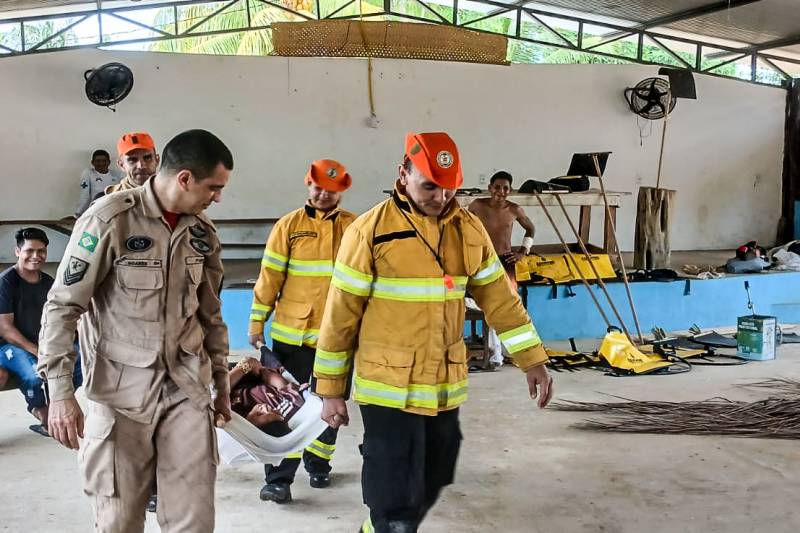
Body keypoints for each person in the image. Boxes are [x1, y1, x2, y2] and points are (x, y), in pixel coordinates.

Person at [312, 132, 554, 533]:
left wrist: (533, 360)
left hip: (443, 384)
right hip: (387, 387)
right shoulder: (370, 232)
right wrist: (331, 389)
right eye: (429, 186)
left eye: (448, 189)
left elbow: (500, 299)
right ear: (402, 174)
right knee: (394, 495)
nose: (440, 197)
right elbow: (340, 316)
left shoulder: (468, 229)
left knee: (434, 475)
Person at [37, 129, 233, 532]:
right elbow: (62, 306)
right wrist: (59, 393)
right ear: (185, 179)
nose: (217, 197)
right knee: (119, 520)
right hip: (120, 394)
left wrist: (221, 384)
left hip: (186, 390)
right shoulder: (109, 219)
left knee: (194, 520)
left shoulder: (202, 234)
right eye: (213, 187)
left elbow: (210, 316)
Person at [248, 159, 356, 503]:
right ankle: (279, 477)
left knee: (330, 404)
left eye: (331, 189)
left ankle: (319, 462)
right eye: (318, 187)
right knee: (286, 405)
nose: (323, 194)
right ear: (308, 185)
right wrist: (256, 322)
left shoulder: (355, 228)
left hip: (338, 337)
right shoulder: (288, 226)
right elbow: (269, 278)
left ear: (341, 191)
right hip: (292, 337)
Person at [0, 228, 82, 432]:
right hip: (8, 347)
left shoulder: (48, 282)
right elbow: (6, 329)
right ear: (18, 252)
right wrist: (40, 352)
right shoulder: (5, 282)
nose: (36, 256)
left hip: (43, 343)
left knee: (83, 358)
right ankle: (39, 409)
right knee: (35, 373)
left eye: (41, 251)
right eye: (29, 251)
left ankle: (58, 405)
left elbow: (61, 317)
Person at [468, 171, 536, 365]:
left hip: (505, 261)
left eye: (505, 188)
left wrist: (523, 251)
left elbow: (530, 228)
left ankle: (516, 351)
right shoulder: (477, 206)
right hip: (482, 260)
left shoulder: (514, 210)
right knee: (485, 305)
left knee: (509, 305)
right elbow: (461, 224)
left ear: (510, 190)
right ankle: (493, 350)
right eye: (497, 187)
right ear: (490, 188)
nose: (501, 191)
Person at [229, 356, 307, 434]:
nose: (266, 407)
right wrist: (261, 371)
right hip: (259, 373)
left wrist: (245, 365)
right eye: (276, 412)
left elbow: (219, 390)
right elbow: (279, 382)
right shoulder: (289, 409)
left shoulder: (235, 418)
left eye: (259, 414)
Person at [76, 150, 123, 216]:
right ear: (92, 162)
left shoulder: (117, 175)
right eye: (98, 161)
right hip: (94, 211)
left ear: (109, 162)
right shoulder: (88, 173)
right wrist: (78, 213)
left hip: (112, 210)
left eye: (104, 161)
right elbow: (85, 196)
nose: (101, 163)